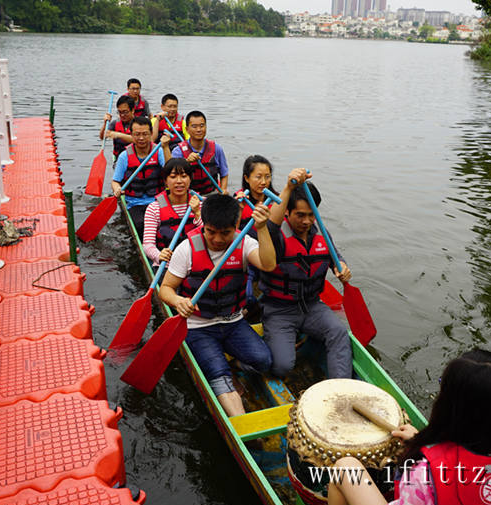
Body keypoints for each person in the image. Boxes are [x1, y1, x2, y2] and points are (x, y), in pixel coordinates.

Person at [328, 349, 491, 505]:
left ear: (452, 408)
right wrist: (422, 443)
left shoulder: (424, 475)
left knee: (344, 467)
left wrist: (423, 455)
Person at [158, 194, 276, 417]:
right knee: (218, 374)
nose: (218, 239)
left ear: (236, 226)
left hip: (233, 321)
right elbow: (165, 289)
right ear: (203, 224)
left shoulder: (244, 242)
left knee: (264, 361)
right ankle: (242, 428)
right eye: (211, 232)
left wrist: (261, 228)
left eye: (225, 233)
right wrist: (178, 301)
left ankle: (231, 364)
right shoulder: (186, 249)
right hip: (197, 326)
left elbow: (268, 264)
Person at [259, 169, 352, 378]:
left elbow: (337, 259)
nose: (307, 221)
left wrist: (342, 269)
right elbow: (271, 225)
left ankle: (341, 388)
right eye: (300, 215)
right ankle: (261, 353)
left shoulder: (321, 235)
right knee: (283, 366)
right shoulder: (275, 235)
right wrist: (288, 187)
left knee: (338, 333)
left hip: (312, 306)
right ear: (287, 213)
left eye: (311, 215)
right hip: (279, 310)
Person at [111, 116, 171, 239]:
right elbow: (115, 181)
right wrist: (117, 189)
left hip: (158, 200)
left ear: (151, 134)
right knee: (140, 225)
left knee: (168, 224)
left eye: (145, 134)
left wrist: (166, 148)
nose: (141, 138)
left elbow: (171, 172)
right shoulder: (124, 156)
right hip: (134, 203)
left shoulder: (158, 151)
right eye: (137, 134)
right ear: (131, 135)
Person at [143, 158, 202, 266]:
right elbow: (148, 244)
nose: (179, 181)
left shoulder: (201, 204)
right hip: (168, 264)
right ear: (165, 181)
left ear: (190, 179)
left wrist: (197, 213)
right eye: (173, 177)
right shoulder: (154, 208)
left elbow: (211, 237)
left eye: (184, 176)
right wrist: (159, 255)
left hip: (196, 263)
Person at [171, 110, 229, 195]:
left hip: (212, 194)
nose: (199, 130)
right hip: (188, 195)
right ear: (187, 129)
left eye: (202, 126)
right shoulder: (178, 151)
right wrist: (186, 162)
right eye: (194, 126)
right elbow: (173, 177)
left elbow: (224, 174)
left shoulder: (217, 148)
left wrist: (223, 190)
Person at [235, 155, 277, 239]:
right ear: (247, 178)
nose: (264, 182)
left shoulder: (276, 202)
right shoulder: (239, 199)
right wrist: (239, 210)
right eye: (258, 177)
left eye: (267, 177)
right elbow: (232, 232)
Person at [100, 94, 135, 162]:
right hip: (118, 159)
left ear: (132, 110)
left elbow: (140, 140)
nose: (122, 115)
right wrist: (105, 124)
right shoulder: (115, 123)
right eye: (119, 112)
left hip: (134, 159)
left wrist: (118, 135)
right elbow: (102, 137)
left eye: (125, 112)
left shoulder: (139, 123)